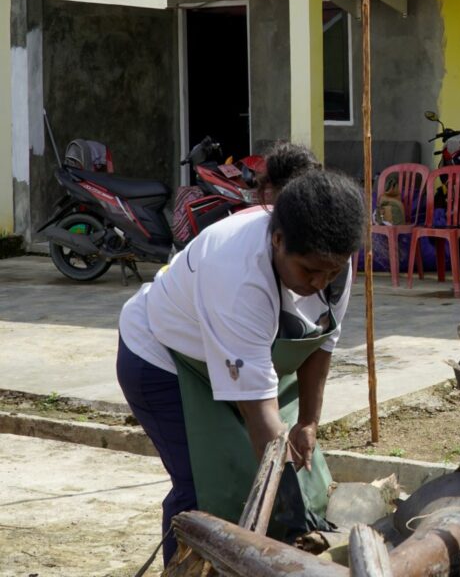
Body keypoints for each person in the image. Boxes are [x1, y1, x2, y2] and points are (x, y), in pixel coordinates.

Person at [116, 143, 366, 565]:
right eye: (309, 271)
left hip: (240, 358)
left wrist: (308, 422)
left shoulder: (332, 256)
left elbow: (323, 342)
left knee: (304, 479)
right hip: (163, 360)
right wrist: (292, 520)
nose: (320, 282)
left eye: (332, 271)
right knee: (205, 488)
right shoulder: (238, 275)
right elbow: (260, 417)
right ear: (278, 238)